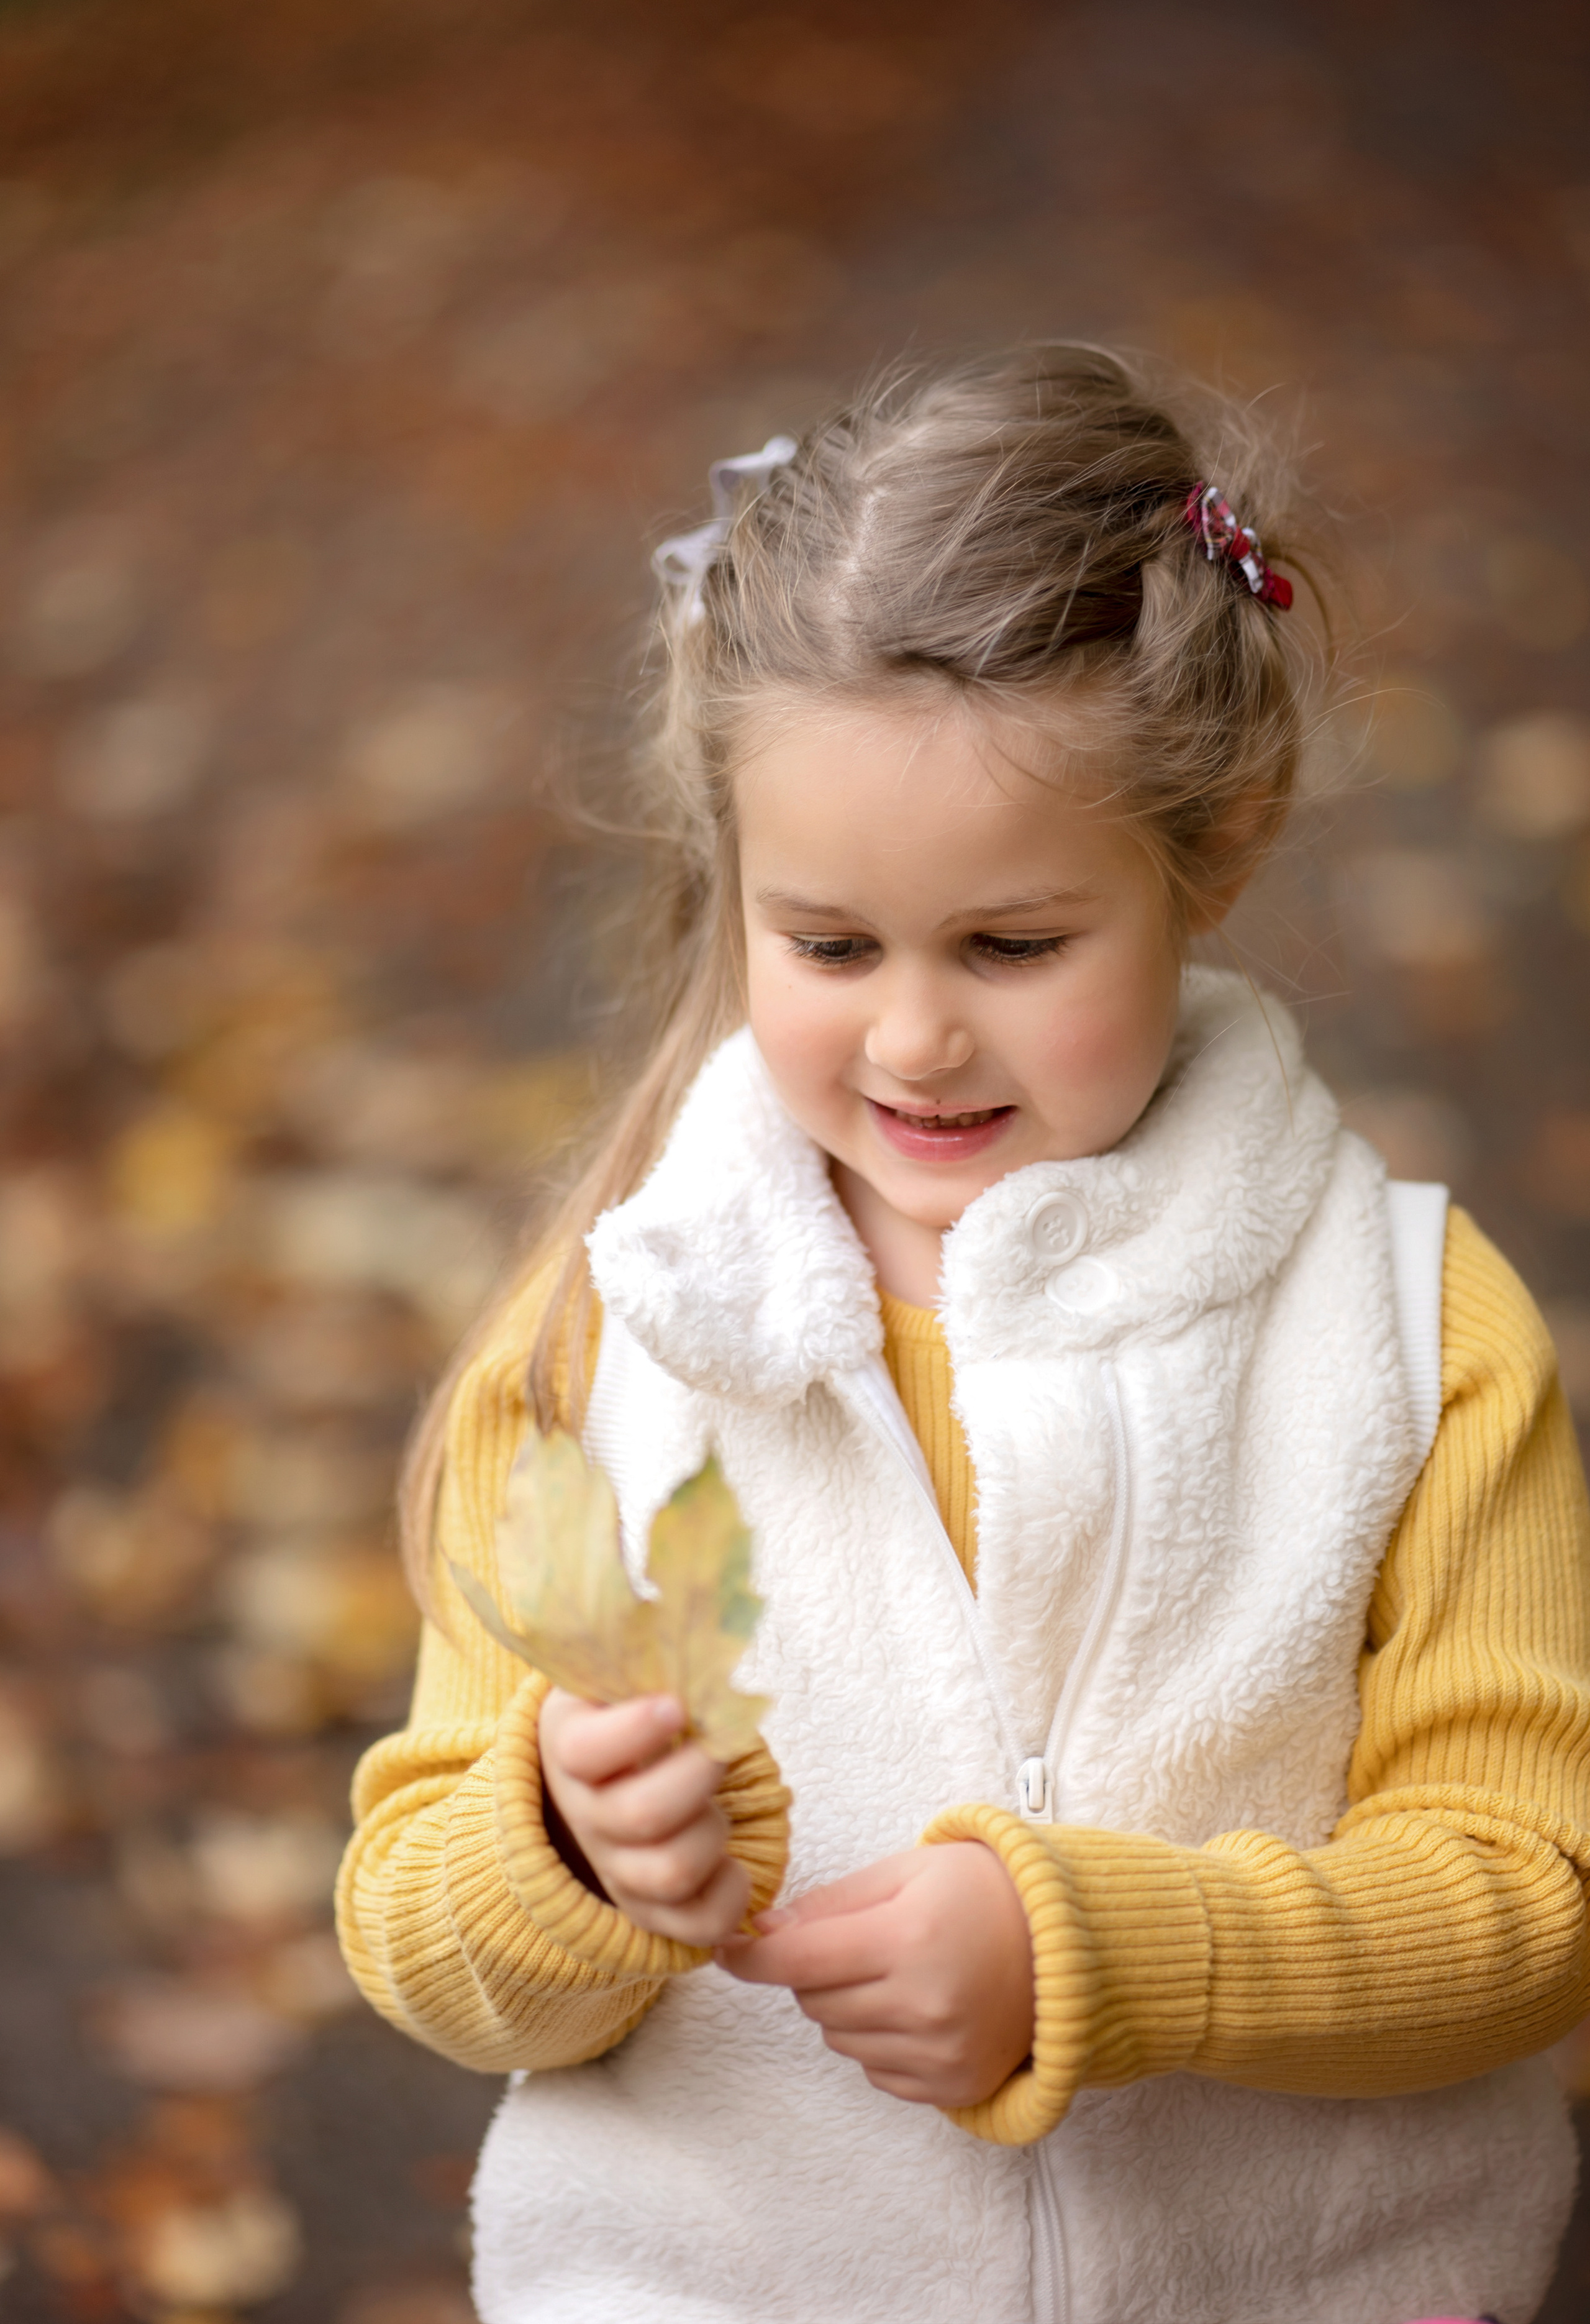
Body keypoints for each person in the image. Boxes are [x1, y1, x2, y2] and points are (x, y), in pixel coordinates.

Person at [335, 347, 1590, 2324]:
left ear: (1219, 842)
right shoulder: (614, 1338)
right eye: (829, 946)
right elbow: (417, 1937)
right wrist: (562, 1859)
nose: (914, 1038)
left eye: (1013, 946)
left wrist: (1110, 1953)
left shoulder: (1408, 1334)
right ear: (735, 870)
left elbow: (1532, 1899)